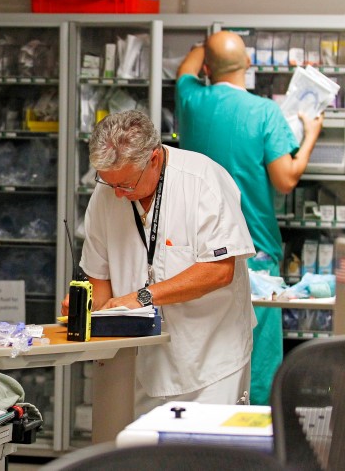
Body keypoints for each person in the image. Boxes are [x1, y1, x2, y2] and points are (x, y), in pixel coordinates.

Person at [62, 110, 256, 414]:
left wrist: (142, 297)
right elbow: (99, 276)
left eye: (125, 184)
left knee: (207, 457)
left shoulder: (202, 180)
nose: (119, 194)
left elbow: (219, 271)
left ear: (154, 159)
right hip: (143, 359)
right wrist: (87, 311)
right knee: (149, 455)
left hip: (210, 357)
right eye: (109, 183)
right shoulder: (107, 194)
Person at [175, 31, 324, 405]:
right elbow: (286, 179)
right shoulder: (265, 112)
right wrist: (310, 136)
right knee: (257, 359)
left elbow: (185, 69)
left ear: (207, 68)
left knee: (207, 352)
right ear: (250, 66)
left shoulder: (191, 99)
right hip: (253, 253)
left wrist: (205, 46)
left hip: (198, 256)